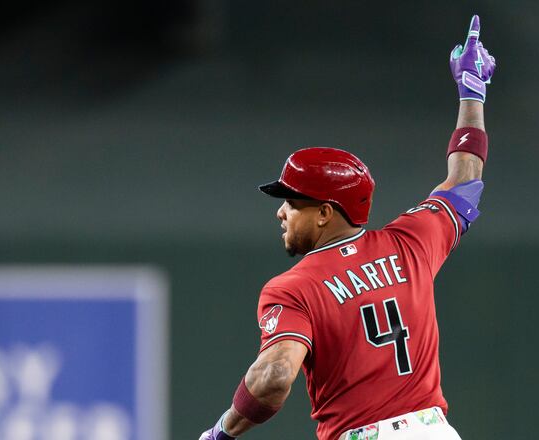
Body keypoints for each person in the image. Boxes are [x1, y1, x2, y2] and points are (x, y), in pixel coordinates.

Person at [200, 14, 496, 440]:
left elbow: (274, 377)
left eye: (292, 201)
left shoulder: (293, 288)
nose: (281, 212)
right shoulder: (411, 241)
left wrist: (221, 432)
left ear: (324, 212)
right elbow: (466, 179)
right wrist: (473, 93)